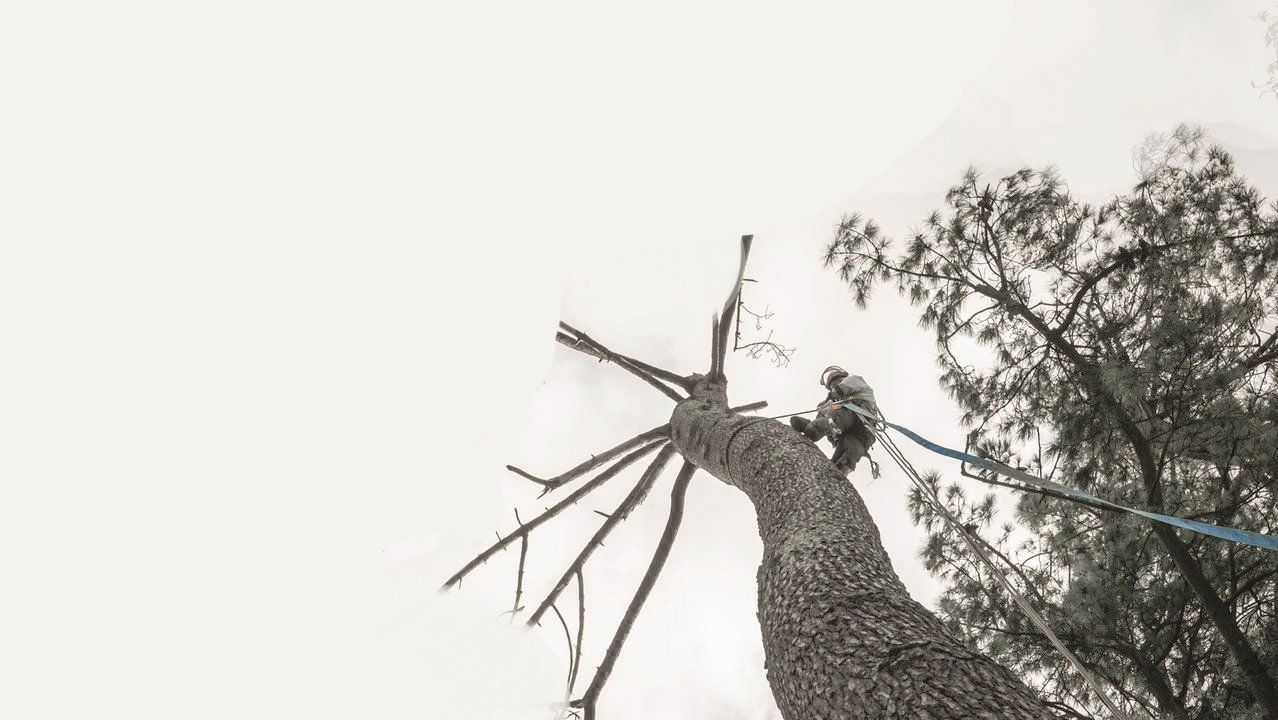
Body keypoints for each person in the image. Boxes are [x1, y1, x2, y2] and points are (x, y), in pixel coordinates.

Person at [790, 366, 881, 475]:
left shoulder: (853, 380)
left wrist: (831, 397)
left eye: (834, 384)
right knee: (850, 443)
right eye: (832, 386)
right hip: (863, 425)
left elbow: (843, 389)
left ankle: (814, 429)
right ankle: (840, 468)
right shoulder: (837, 400)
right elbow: (827, 408)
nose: (834, 387)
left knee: (838, 422)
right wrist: (823, 407)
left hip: (858, 411)